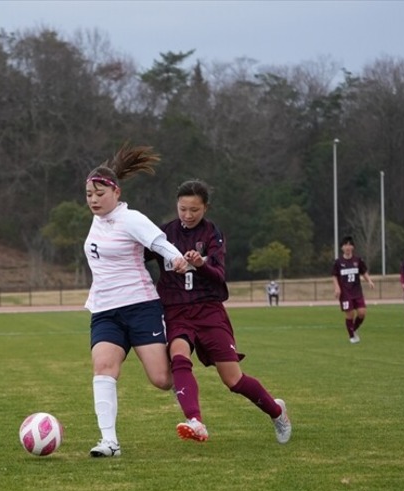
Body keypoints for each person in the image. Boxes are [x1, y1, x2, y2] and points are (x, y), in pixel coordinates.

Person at [148, 179, 291, 445]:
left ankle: (277, 411)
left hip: (209, 311)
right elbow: (136, 252)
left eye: (194, 210)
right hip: (176, 310)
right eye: (182, 209)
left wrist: (201, 264)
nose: (187, 215)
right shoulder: (164, 233)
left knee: (233, 380)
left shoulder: (212, 234)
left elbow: (218, 275)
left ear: (206, 208)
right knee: (179, 356)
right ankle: (195, 421)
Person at [82, 143, 189, 458]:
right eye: (88, 195)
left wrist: (176, 258)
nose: (93, 200)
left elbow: (158, 242)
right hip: (105, 311)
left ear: (116, 193)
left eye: (99, 194)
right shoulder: (98, 220)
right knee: (103, 367)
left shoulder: (131, 218)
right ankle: (109, 442)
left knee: (162, 379)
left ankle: (189, 395)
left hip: (141, 307)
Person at [331, 235, 374, 344]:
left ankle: (353, 329)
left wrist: (369, 281)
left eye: (350, 245)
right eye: (345, 245)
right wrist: (337, 287)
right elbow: (334, 276)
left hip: (357, 292)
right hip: (345, 293)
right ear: (342, 247)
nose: (348, 247)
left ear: (353, 247)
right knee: (350, 314)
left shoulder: (357, 260)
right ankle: (352, 337)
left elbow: (363, 272)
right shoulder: (338, 262)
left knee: (362, 313)